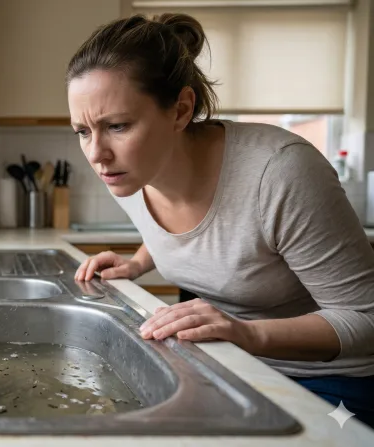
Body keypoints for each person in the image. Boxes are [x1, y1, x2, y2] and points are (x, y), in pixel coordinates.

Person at [68, 13, 374, 427]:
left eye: (117, 126)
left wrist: (247, 333)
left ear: (181, 110)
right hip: (228, 364)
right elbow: (203, 231)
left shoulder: (279, 173)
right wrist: (140, 261)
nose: (96, 154)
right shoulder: (129, 172)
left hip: (329, 383)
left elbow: (366, 318)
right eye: (82, 131)